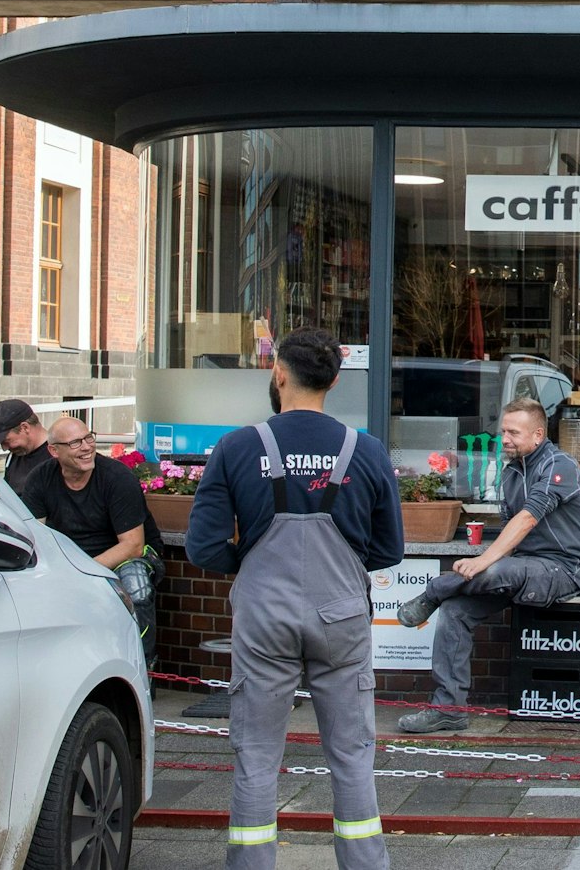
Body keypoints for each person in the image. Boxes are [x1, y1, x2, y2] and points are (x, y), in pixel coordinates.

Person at [186, 328, 402, 869]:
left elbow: (204, 545)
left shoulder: (238, 447)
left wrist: (256, 572)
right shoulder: (367, 451)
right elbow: (389, 548)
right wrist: (342, 572)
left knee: (256, 756)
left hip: (262, 619)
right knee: (352, 756)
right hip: (342, 617)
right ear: (333, 381)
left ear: (278, 373)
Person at [396, 397, 580, 734]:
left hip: (563, 570)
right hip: (521, 568)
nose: (505, 438)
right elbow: (510, 531)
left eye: (513, 432)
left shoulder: (560, 466)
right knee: (456, 611)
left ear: (538, 435)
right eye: (503, 431)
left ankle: (433, 591)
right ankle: (449, 709)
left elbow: (528, 519)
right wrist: (486, 561)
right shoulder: (512, 472)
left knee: (495, 570)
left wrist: (483, 560)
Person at [18, 416, 164, 661]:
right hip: (69, 559)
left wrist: (81, 572)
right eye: (75, 443)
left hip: (126, 557)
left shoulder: (117, 477)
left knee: (136, 587)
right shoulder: (40, 478)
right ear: (54, 450)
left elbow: (133, 545)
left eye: (88, 438)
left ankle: (142, 667)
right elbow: (35, 537)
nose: (86, 447)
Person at [0, 398, 53, 489]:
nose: (4, 448)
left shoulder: (58, 458)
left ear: (25, 428)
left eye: (6, 441)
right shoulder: (14, 456)